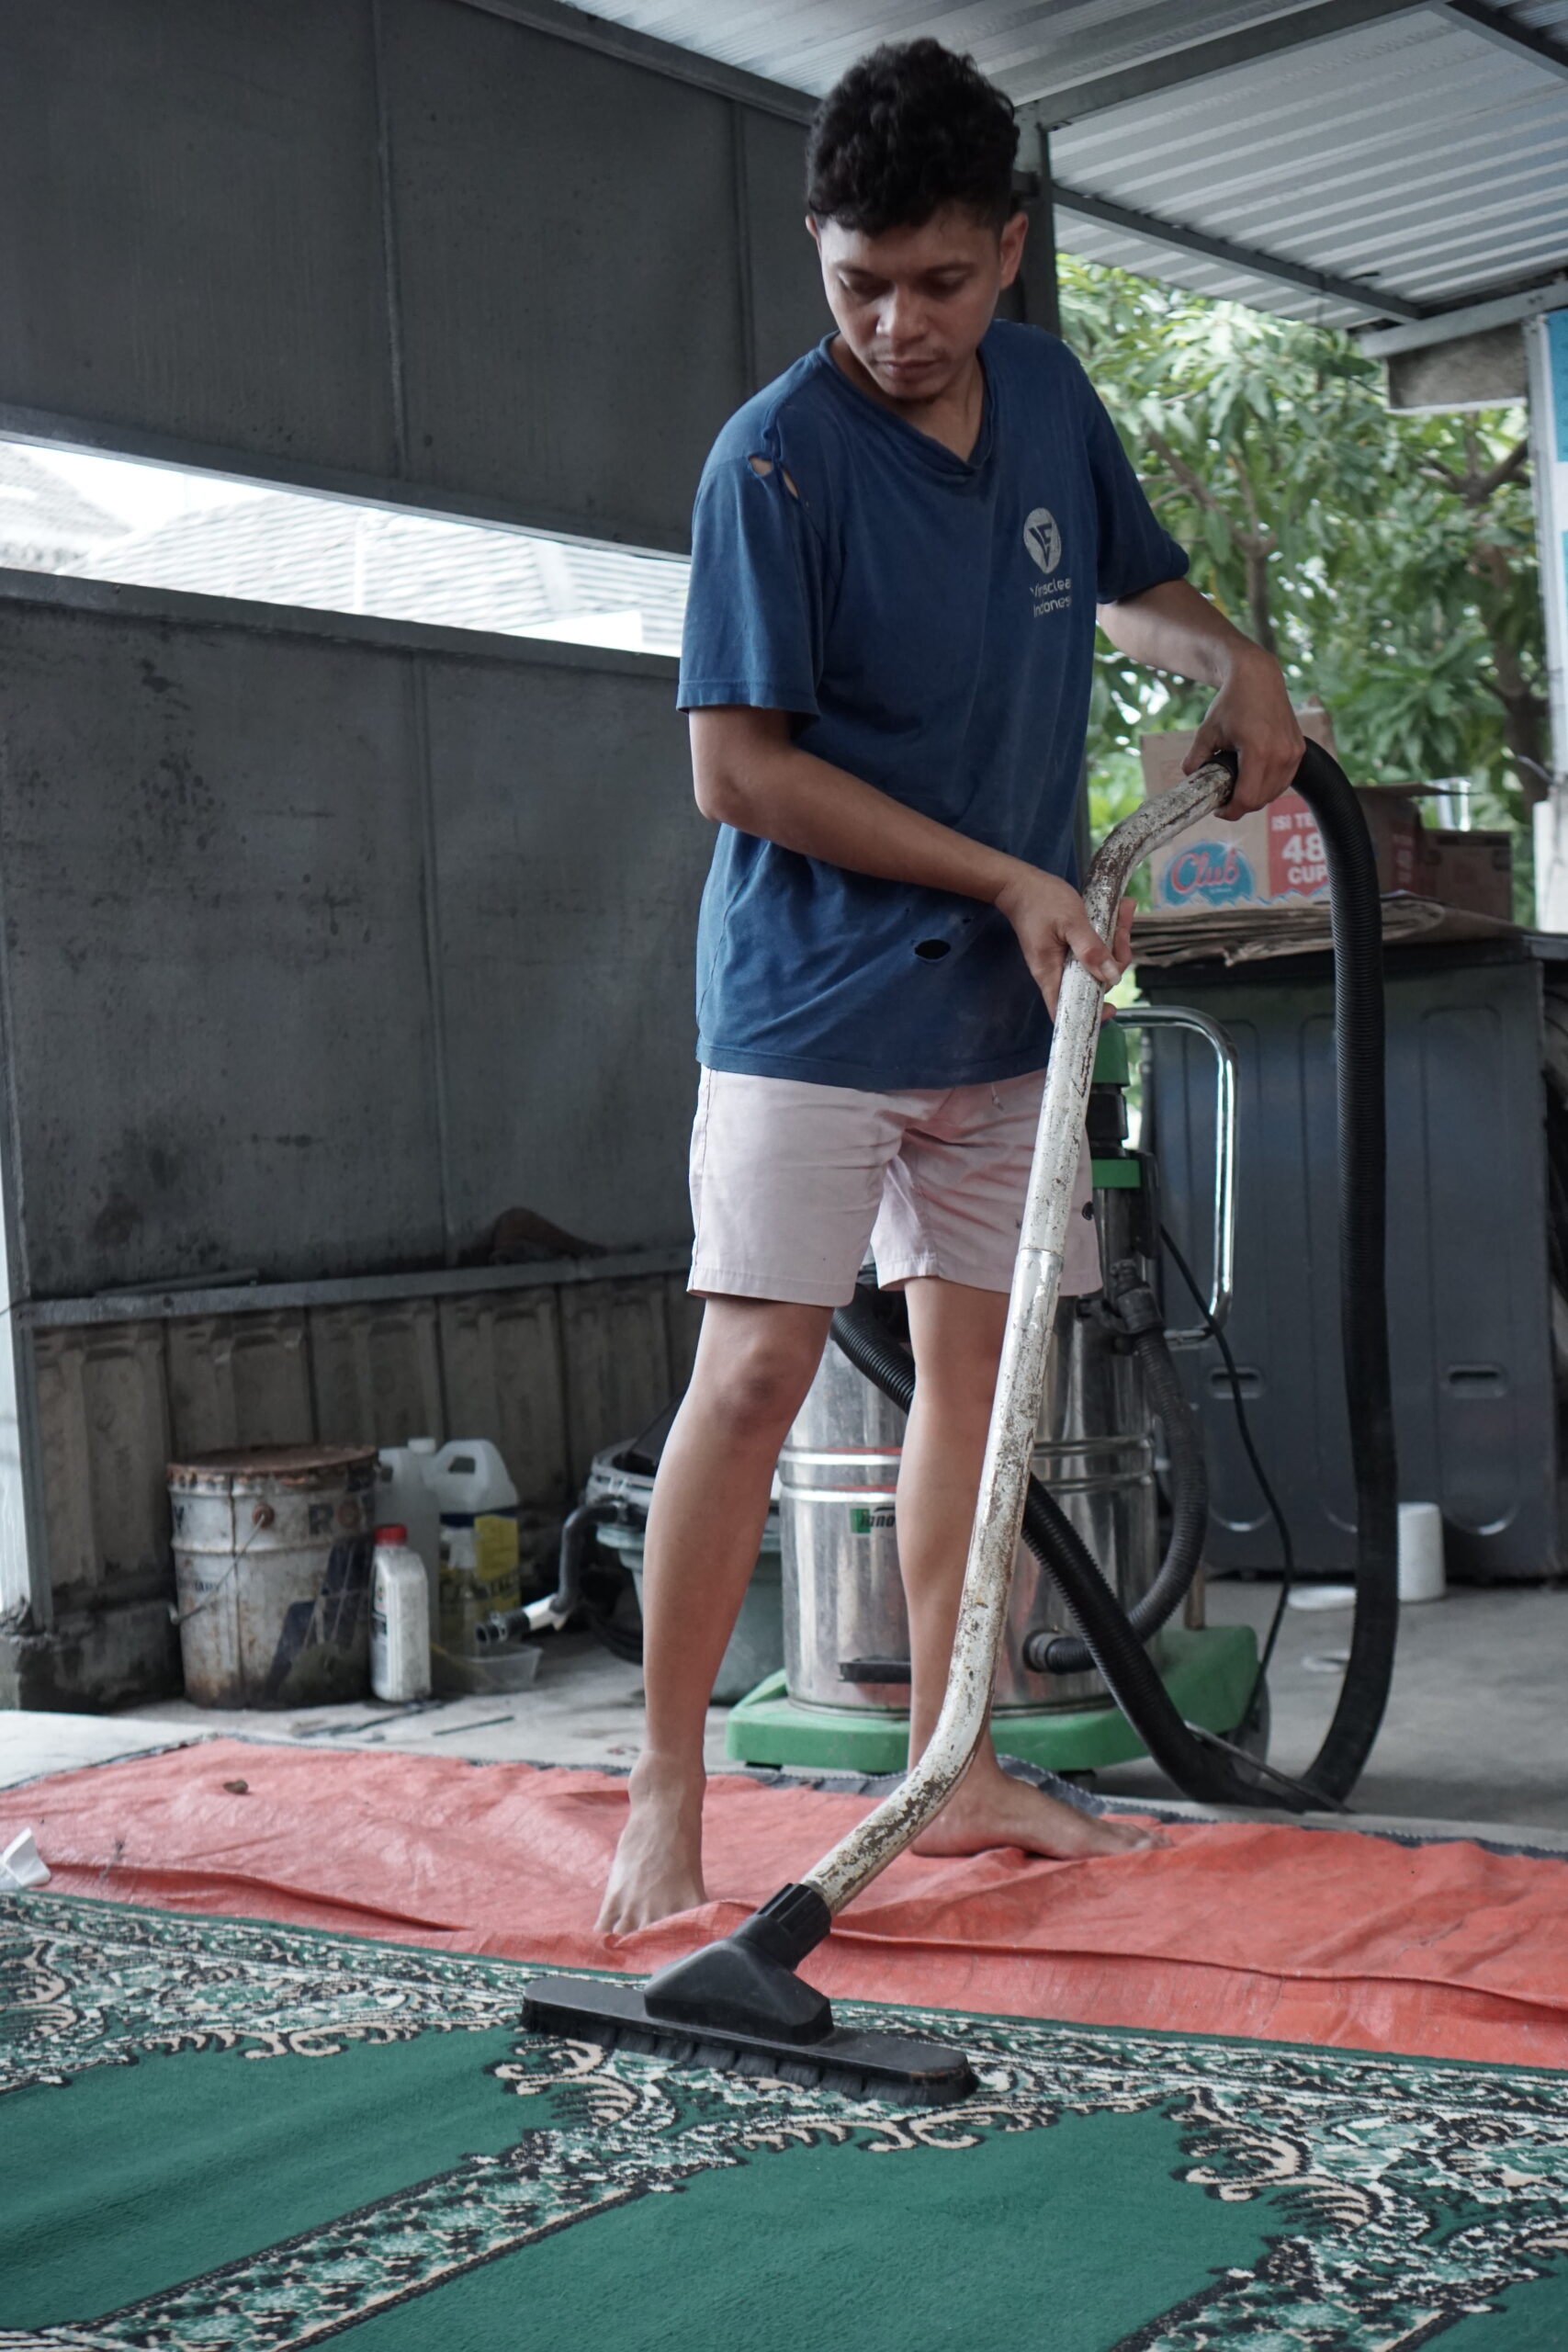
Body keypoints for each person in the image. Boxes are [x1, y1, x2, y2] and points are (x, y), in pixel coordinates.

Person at [598, 39, 1302, 1933]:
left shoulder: (1049, 394)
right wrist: (1002, 874)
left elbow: (1129, 588)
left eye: (936, 281)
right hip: (811, 1004)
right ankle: (662, 1785)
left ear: (1009, 248)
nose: (896, 326)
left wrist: (1231, 662)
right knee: (754, 1372)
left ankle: (953, 1753)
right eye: (858, 283)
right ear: (815, 250)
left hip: (1006, 1005)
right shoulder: (772, 462)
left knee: (981, 1401)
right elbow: (734, 771)